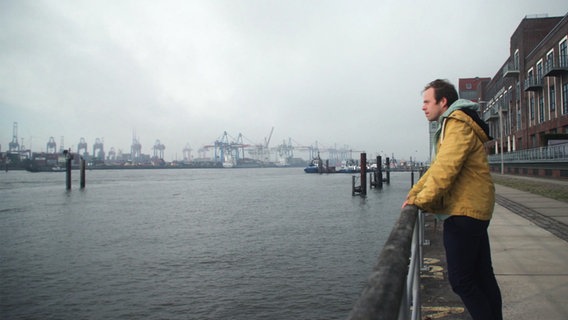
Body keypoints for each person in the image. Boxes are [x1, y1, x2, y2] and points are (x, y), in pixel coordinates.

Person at [402, 79, 502, 320]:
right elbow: (436, 167)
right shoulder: (454, 124)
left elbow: (445, 169)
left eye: (427, 101)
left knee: (461, 281)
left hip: (464, 212)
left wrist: (421, 201)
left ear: (442, 101)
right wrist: (414, 194)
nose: (423, 107)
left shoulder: (456, 124)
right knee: (482, 276)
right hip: (473, 208)